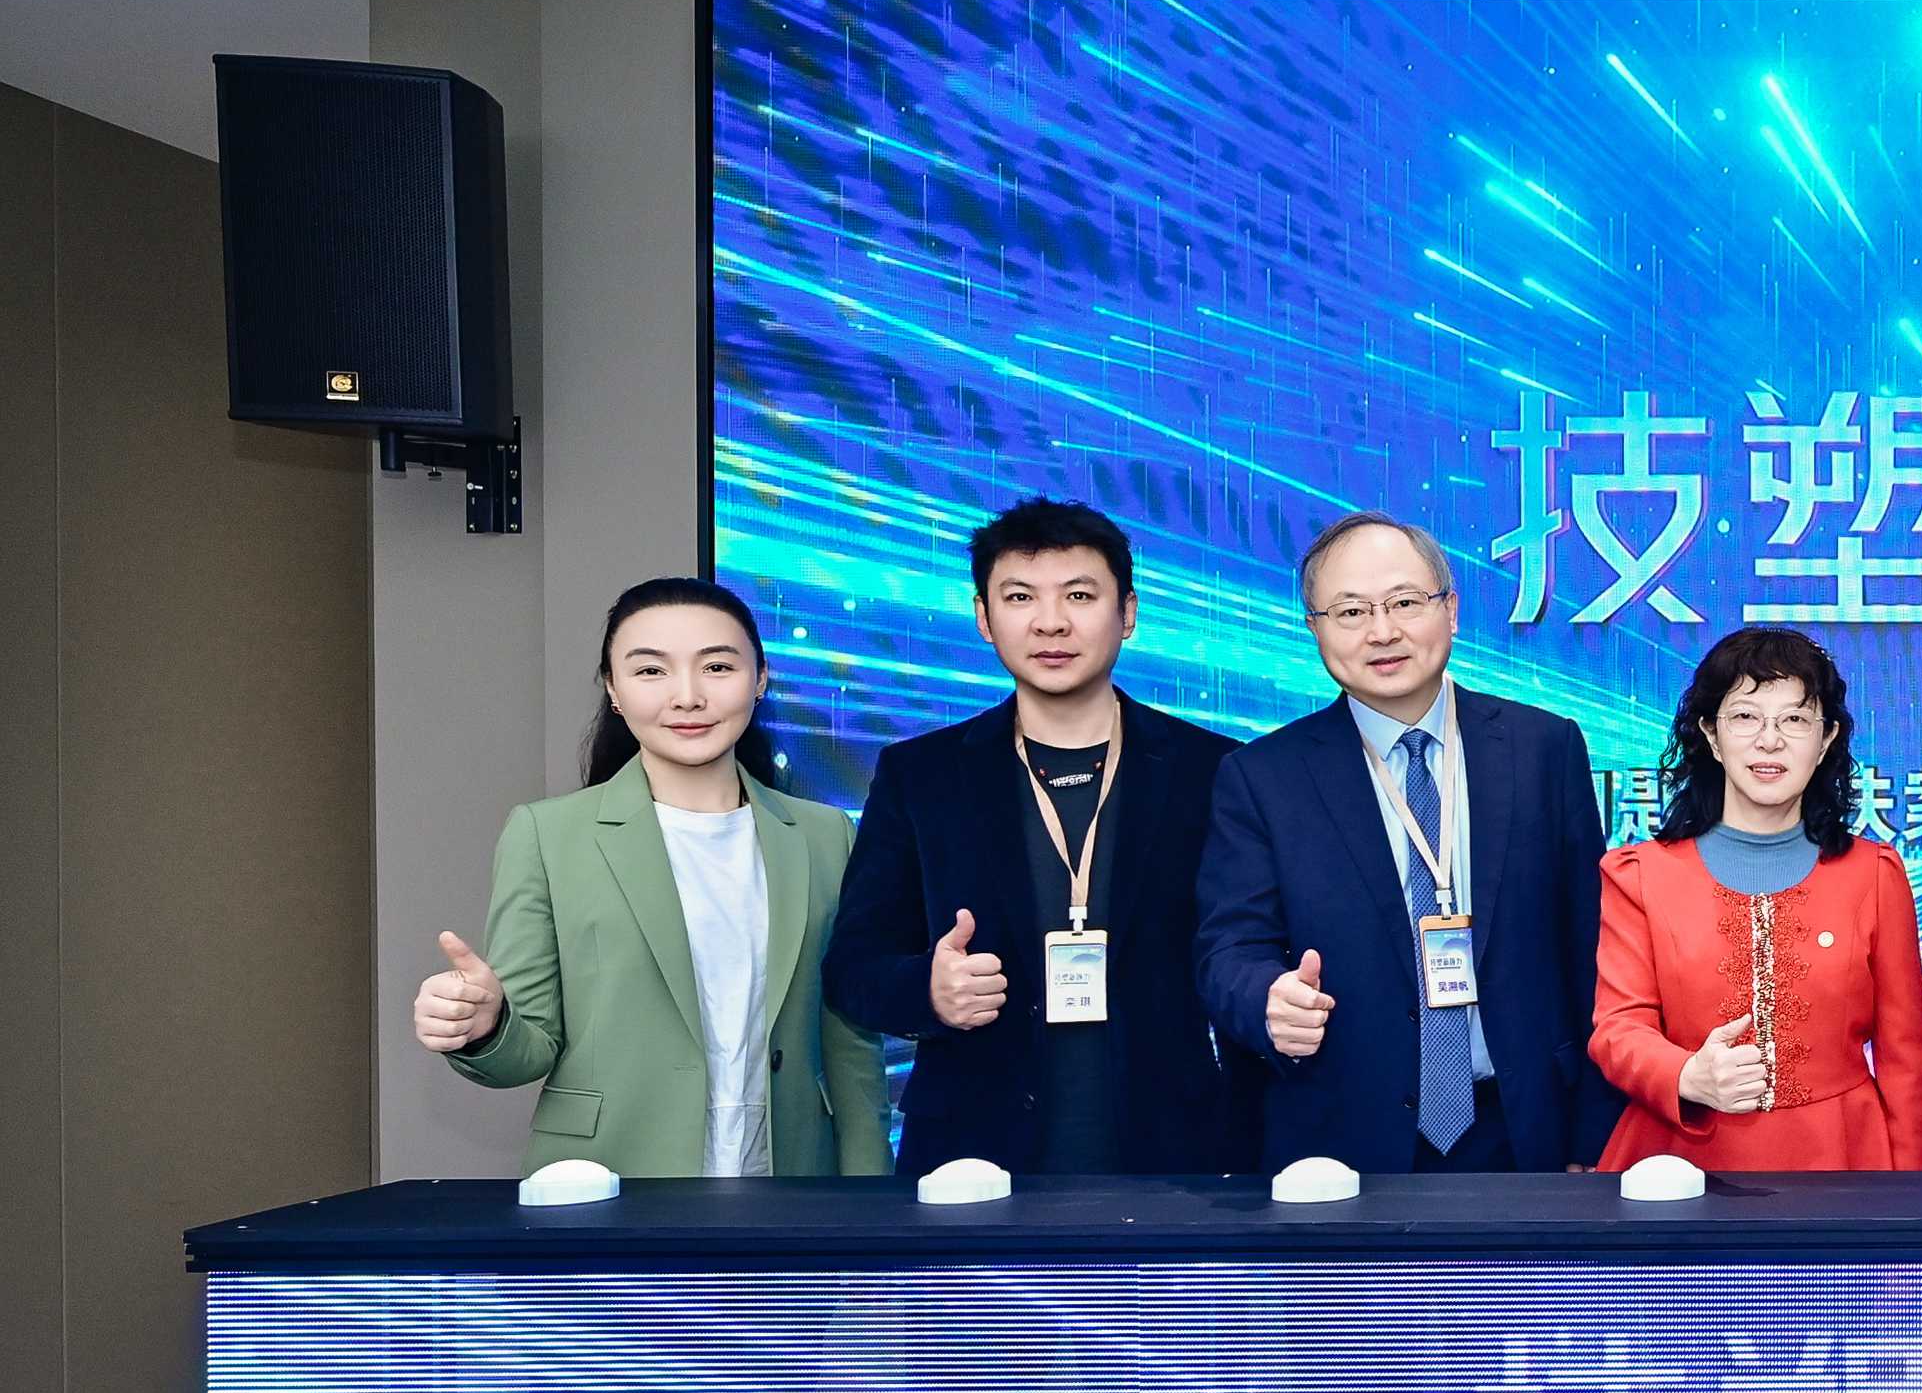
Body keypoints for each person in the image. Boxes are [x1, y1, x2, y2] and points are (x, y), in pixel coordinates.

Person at [823, 500, 1251, 1177]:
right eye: (1020, 597)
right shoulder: (922, 775)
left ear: (1128, 613)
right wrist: (927, 990)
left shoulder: (1215, 769)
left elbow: (1248, 949)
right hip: (972, 1162)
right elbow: (852, 968)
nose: (1051, 622)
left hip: (1176, 1156)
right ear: (983, 618)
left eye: (1079, 595)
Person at [411, 576, 888, 1176]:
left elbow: (851, 1048)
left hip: (793, 1180)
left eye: (717, 667)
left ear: (760, 679)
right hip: (607, 1181)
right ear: (613, 689)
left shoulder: (825, 836)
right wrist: (487, 1025)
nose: (687, 697)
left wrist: (868, 1194)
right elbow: (526, 1052)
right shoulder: (547, 835)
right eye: (651, 671)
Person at [1194, 512, 1616, 1174]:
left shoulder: (1543, 748)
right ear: (1314, 629)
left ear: (1451, 610)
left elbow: (1592, 947)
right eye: (1350, 611)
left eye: (1404, 603)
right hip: (1343, 1138)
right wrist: (1267, 999)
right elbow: (1229, 947)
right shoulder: (1262, 777)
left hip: (1526, 1127)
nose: (1382, 631)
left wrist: (1594, 1133)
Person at [1589, 628, 1922, 1173]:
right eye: (1745, 717)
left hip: (1844, 1159)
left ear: (1826, 739)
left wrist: (1915, 1197)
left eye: (1795, 719)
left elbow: (1907, 1058)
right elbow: (1619, 1028)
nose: (1769, 741)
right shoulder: (1639, 875)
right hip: (1681, 1164)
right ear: (1711, 734)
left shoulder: (1873, 874)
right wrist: (1686, 1076)